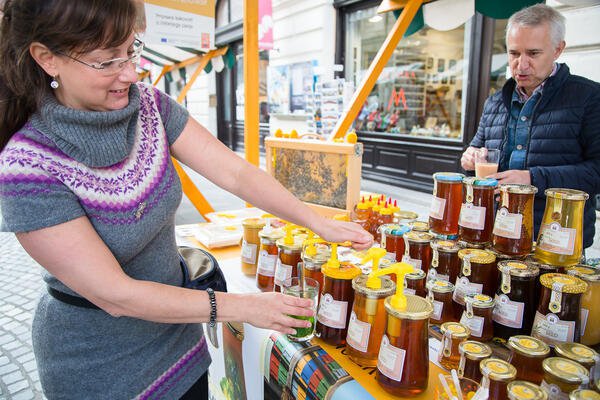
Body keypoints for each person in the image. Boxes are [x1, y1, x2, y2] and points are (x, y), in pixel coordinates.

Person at [0, 1, 373, 399]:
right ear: (47, 58)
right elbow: (116, 294)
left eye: (131, 50)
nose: (129, 72)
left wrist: (314, 220)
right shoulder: (27, 167)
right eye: (106, 61)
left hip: (179, 340)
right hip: (99, 364)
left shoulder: (148, 106)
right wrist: (245, 306)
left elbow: (235, 172)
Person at [461, 4, 600, 249]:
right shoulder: (494, 102)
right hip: (496, 233)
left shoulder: (589, 97)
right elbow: (476, 149)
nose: (521, 64)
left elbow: (596, 172)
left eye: (533, 53)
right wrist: (470, 157)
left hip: (556, 239)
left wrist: (531, 179)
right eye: (514, 53)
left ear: (558, 50)